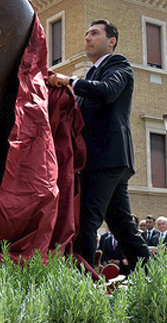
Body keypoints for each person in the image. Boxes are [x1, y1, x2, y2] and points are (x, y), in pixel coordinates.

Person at [48, 19, 149, 271]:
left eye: (94, 33)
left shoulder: (118, 63)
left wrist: (69, 81)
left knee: (85, 222)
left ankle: (82, 283)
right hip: (104, 158)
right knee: (122, 227)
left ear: (111, 41)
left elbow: (108, 91)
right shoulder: (91, 74)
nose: (87, 38)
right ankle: (154, 278)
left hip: (107, 157)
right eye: (86, 34)